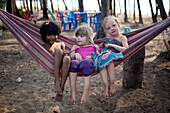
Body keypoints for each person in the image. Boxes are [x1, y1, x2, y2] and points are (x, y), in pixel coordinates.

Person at [92, 16, 129, 99]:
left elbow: (126, 48)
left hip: (114, 55)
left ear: (118, 25)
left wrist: (113, 45)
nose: (112, 29)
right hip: (105, 56)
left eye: (113, 25)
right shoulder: (108, 38)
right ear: (106, 31)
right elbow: (105, 49)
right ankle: (106, 86)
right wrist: (102, 46)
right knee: (101, 60)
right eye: (108, 28)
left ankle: (112, 83)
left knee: (109, 58)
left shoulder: (122, 38)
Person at [69, 25, 99, 104]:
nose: (78, 38)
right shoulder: (75, 46)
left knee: (87, 62)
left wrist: (92, 56)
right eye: (77, 36)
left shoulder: (94, 46)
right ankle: (73, 92)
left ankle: (85, 93)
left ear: (89, 38)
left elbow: (99, 57)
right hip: (77, 64)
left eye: (81, 36)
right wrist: (75, 55)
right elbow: (71, 56)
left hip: (87, 64)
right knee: (73, 62)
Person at [40, 22, 70, 101]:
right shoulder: (43, 46)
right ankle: (57, 82)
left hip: (63, 66)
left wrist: (64, 53)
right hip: (53, 66)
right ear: (44, 35)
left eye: (54, 35)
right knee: (58, 51)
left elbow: (65, 55)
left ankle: (61, 87)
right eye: (49, 35)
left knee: (66, 58)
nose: (52, 37)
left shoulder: (61, 43)